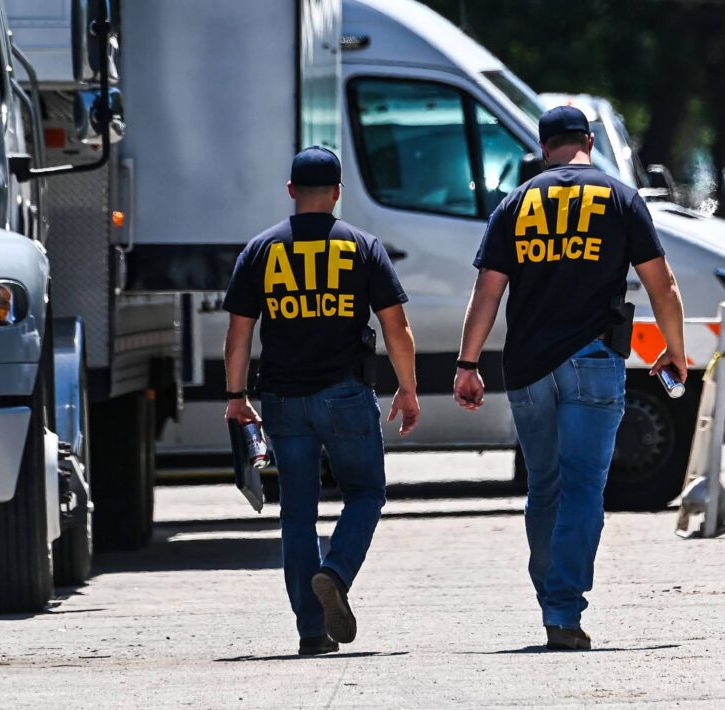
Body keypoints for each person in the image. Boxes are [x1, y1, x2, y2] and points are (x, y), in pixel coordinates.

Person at [453, 106, 687, 650]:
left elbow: (488, 291)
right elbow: (663, 284)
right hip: (593, 361)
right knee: (583, 486)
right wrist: (675, 350)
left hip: (528, 367)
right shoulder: (620, 198)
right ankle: (563, 607)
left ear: (542, 146)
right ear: (587, 141)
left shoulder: (515, 203)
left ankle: (549, 598)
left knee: (545, 485)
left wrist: (467, 364)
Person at [223, 146, 419, 656]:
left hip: (283, 398)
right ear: (336, 193)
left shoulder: (261, 250)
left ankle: (312, 631)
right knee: (366, 492)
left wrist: (235, 397)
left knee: (297, 514)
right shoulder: (362, 247)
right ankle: (336, 572)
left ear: (291, 191)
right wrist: (408, 387)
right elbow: (395, 327)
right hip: (346, 395)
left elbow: (239, 333)